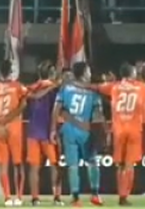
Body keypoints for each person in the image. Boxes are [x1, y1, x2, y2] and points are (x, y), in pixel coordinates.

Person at [97, 63, 145, 205]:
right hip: (134, 130)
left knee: (120, 165)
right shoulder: (140, 87)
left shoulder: (114, 86)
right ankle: (124, 196)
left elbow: (95, 87)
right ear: (131, 73)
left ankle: (121, 195)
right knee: (129, 165)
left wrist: (77, 83)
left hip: (118, 130)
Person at [51, 61, 103, 206]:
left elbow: (57, 110)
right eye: (89, 71)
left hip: (69, 130)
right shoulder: (92, 90)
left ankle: (75, 198)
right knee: (92, 162)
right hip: (86, 130)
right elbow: (98, 114)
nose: (90, 74)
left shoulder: (66, 88)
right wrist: (101, 129)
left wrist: (53, 130)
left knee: (72, 165)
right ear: (85, 73)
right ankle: (95, 194)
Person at [0, 60, 29, 205]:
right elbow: (24, 103)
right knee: (17, 163)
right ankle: (19, 197)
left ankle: (7, 197)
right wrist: (10, 118)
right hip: (14, 127)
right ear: (10, 72)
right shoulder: (17, 86)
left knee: (3, 164)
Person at [25, 61, 62, 205]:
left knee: (41, 166)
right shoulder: (50, 88)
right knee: (53, 165)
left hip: (38, 132)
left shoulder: (37, 87)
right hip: (44, 132)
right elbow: (34, 97)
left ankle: (39, 198)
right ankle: (54, 197)